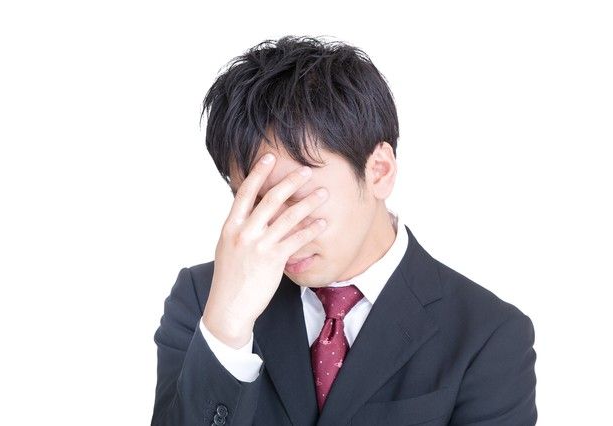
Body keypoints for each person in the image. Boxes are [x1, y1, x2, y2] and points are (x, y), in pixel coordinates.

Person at [150, 35, 537, 425]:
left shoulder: (488, 335)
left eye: (295, 197)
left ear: (379, 171)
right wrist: (228, 329)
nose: (277, 229)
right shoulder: (205, 301)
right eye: (254, 202)